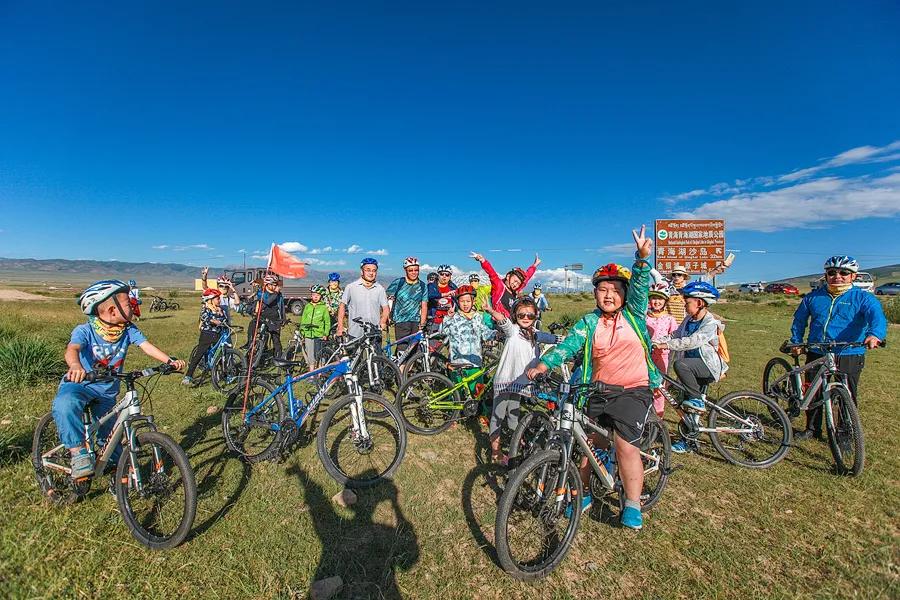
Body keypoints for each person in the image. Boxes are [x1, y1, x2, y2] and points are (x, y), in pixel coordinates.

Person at [528, 226, 658, 531]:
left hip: (633, 390)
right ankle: (583, 494)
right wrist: (543, 365)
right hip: (597, 390)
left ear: (625, 294)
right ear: (595, 293)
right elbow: (568, 346)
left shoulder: (634, 316)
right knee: (589, 448)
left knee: (625, 447)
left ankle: (632, 502)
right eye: (603, 289)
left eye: (615, 289)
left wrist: (641, 260)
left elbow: (641, 288)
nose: (609, 294)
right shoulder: (589, 322)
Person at [53, 280, 185, 479]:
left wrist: (169, 361)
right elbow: (73, 349)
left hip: (107, 392)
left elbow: (146, 346)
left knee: (111, 436)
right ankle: (77, 452)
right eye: (128, 303)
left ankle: (117, 473)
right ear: (112, 311)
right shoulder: (85, 330)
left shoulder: (128, 330)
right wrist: (75, 366)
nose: (133, 305)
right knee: (66, 404)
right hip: (81, 384)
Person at [789, 255, 887, 440]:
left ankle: (844, 434)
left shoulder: (863, 298)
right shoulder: (813, 297)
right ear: (826, 275)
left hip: (849, 352)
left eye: (844, 273)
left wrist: (875, 335)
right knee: (814, 392)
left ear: (853, 276)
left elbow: (877, 317)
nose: (837, 276)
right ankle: (812, 429)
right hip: (817, 350)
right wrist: (796, 340)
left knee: (846, 395)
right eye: (832, 272)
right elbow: (799, 320)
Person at [653, 281, 728, 453]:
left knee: (681, 367)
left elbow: (692, 341)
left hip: (707, 366)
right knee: (687, 406)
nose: (684, 306)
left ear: (699, 303)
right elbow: (675, 335)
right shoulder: (688, 319)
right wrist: (656, 341)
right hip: (691, 368)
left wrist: (667, 346)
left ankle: (696, 399)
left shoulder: (710, 323)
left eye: (687, 302)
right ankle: (688, 441)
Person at [484, 297, 558, 465]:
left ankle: (516, 443)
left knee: (514, 414)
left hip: (519, 383)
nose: (525, 318)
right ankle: (495, 453)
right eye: (521, 315)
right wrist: (491, 310)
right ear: (515, 316)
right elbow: (502, 321)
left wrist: (567, 341)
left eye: (530, 315)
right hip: (505, 382)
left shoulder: (534, 334)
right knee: (497, 415)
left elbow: (551, 338)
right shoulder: (513, 330)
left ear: (536, 316)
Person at [439, 285, 496, 413]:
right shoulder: (454, 318)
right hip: (458, 362)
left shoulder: (478, 317)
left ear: (473, 301)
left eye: (468, 301)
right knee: (456, 391)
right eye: (462, 301)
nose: (465, 304)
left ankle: (481, 414)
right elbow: (442, 331)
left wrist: (497, 334)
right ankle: (452, 415)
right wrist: (448, 317)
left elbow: (485, 333)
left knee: (478, 391)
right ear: (457, 302)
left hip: (475, 362)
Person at [470, 251, 541, 318]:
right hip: (499, 321)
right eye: (515, 281)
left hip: (512, 321)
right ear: (508, 276)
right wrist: (483, 260)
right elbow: (492, 273)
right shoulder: (499, 286)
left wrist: (534, 265)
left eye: (518, 283)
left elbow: (527, 278)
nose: (515, 284)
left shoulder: (516, 290)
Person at [645, 282, 678, 418]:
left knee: (659, 388)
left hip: (662, 357)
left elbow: (675, 336)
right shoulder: (644, 317)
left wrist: (664, 343)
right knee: (644, 385)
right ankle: (644, 415)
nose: (656, 301)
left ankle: (658, 417)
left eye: (660, 299)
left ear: (665, 301)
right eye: (653, 298)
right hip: (645, 356)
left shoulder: (669, 319)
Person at [182, 288, 227, 386]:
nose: (219, 300)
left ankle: (223, 374)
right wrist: (213, 321)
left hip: (218, 334)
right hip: (207, 334)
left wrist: (221, 315)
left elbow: (225, 320)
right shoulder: (206, 309)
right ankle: (188, 376)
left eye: (219, 298)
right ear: (210, 300)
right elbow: (205, 317)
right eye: (217, 299)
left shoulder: (220, 309)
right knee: (199, 354)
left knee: (220, 354)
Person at [336, 258, 389, 339]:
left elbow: (386, 308)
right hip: (355, 333)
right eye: (368, 270)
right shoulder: (351, 287)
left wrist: (383, 321)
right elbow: (342, 306)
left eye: (374, 270)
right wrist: (340, 326)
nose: (371, 273)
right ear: (362, 271)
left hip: (374, 333)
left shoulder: (380, 289)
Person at [386, 257, 428, 350]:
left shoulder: (422, 285)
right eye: (410, 270)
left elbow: (424, 305)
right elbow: (386, 299)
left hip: (416, 322)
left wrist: (422, 324)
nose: (414, 272)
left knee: (414, 350)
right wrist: (387, 316)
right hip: (401, 321)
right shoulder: (398, 282)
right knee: (402, 349)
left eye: (416, 270)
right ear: (405, 270)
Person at [244, 273, 286, 358]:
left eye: (276, 285)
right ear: (268, 284)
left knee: (276, 340)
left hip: (275, 319)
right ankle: (251, 346)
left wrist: (283, 318)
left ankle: (278, 357)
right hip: (262, 317)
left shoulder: (279, 294)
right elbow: (267, 301)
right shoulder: (261, 292)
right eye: (273, 284)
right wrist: (276, 293)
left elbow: (281, 306)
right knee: (254, 327)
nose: (275, 286)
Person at [299, 285, 331, 368]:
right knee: (310, 354)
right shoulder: (307, 306)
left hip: (319, 334)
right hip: (308, 334)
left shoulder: (323, 308)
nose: (315, 297)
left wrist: (326, 333)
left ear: (321, 296)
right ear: (311, 295)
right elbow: (303, 320)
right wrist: (302, 331)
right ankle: (312, 371)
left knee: (320, 354)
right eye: (313, 295)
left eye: (318, 295)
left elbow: (327, 322)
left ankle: (320, 371)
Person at [426, 265, 458, 330]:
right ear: (438, 275)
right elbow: (429, 295)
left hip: (449, 320)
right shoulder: (432, 286)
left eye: (447, 275)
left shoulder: (453, 287)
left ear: (450, 276)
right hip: (434, 320)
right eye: (441, 274)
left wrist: (455, 309)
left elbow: (458, 301)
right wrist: (444, 294)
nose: (444, 276)